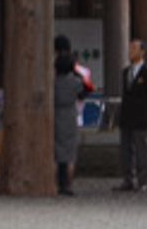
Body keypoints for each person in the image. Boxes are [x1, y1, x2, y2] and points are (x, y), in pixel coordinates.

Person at [115, 36, 147, 192]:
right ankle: (127, 179)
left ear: (142, 52)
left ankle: (142, 180)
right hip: (126, 116)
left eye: (134, 49)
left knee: (141, 150)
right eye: (130, 49)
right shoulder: (126, 72)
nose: (130, 52)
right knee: (126, 150)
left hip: (141, 117)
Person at [54, 48, 86, 196]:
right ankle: (68, 185)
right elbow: (86, 91)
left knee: (57, 152)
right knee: (70, 154)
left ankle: (57, 183)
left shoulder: (53, 82)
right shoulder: (76, 82)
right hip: (70, 115)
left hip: (56, 114)